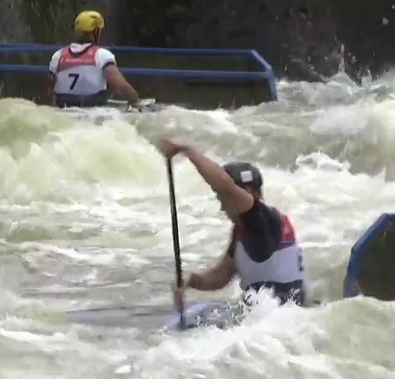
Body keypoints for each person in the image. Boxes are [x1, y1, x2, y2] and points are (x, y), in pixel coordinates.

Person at [157, 138, 308, 313]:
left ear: (247, 193)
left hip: (283, 316)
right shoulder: (243, 229)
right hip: (263, 316)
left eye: (224, 199)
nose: (222, 207)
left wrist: (186, 150)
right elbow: (220, 277)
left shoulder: (265, 220)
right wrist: (189, 281)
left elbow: (223, 185)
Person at [47, 10, 142, 109]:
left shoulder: (58, 55)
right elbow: (120, 85)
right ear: (96, 32)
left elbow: (50, 88)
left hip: (64, 107)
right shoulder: (102, 55)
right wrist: (135, 100)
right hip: (94, 109)